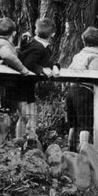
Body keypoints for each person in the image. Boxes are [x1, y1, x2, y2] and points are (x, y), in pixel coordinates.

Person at [0, 16, 35, 147]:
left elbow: (11, 52)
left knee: (8, 123)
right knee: (4, 125)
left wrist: (21, 45)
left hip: (9, 88)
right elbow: (8, 56)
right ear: (13, 33)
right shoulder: (1, 44)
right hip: (4, 88)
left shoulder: (2, 43)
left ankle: (0, 151)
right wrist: (23, 70)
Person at [13, 17, 58, 150]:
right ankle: (20, 146)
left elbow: (44, 60)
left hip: (28, 85)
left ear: (35, 30)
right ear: (53, 34)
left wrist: (55, 65)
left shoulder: (35, 44)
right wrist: (42, 70)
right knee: (24, 116)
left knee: (32, 114)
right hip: (21, 84)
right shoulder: (38, 48)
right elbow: (29, 64)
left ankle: (31, 141)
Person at [65, 26, 98, 151]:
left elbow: (70, 70)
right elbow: (93, 75)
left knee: (74, 124)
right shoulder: (97, 56)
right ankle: (84, 152)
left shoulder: (78, 56)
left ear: (83, 41)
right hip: (84, 91)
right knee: (85, 124)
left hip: (72, 90)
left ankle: (70, 151)